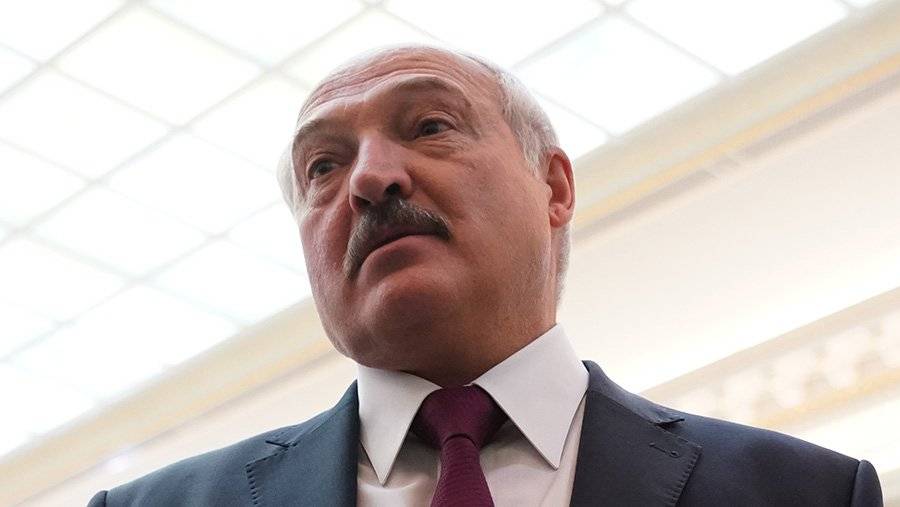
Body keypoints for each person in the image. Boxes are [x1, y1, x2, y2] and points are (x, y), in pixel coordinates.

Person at [89, 45, 883, 506]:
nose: (370, 178)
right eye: (322, 166)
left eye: (430, 125)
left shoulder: (804, 493)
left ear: (555, 187)